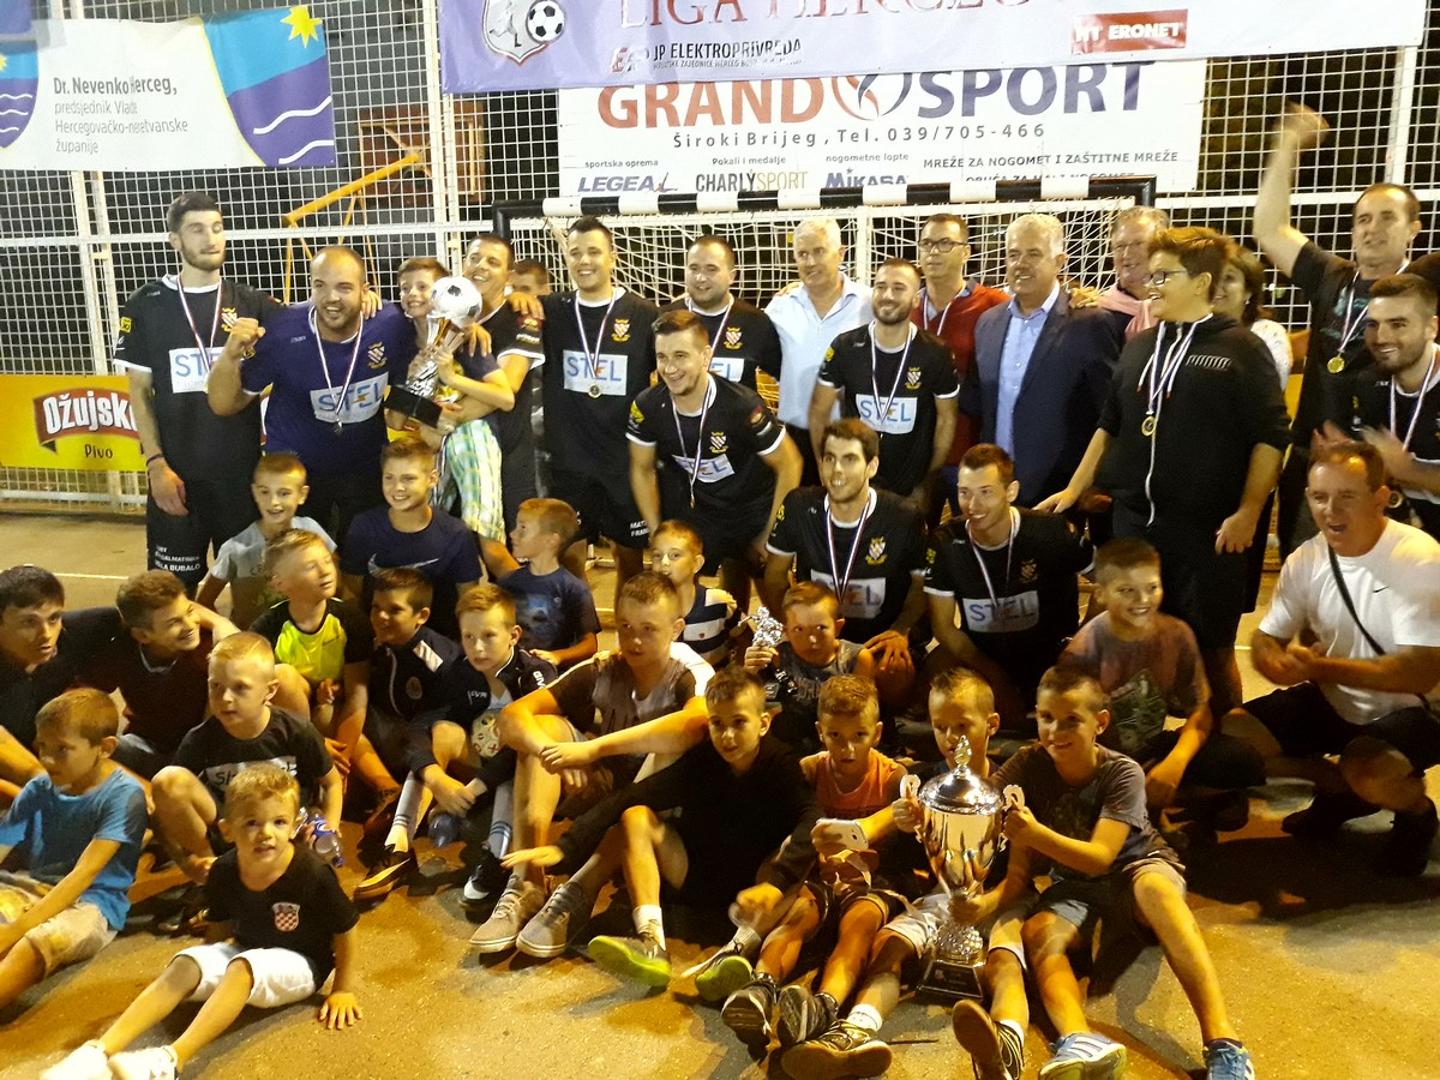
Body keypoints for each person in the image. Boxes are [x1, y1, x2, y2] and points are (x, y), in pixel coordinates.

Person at [1040, 228, 1290, 717]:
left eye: (1163, 276)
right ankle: (1136, 739)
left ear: (1201, 283)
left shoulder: (1242, 348)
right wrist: (1074, 487)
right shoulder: (1140, 345)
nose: (1151, 285)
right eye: (1150, 276)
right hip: (1135, 524)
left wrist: (1248, 511)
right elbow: (1109, 423)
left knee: (1212, 651)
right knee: (1129, 642)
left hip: (1207, 533)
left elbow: (1271, 437)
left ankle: (1222, 742)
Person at [993, 667, 1255, 1080]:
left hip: (1136, 866)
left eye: (1071, 720)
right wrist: (929, 807)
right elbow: (980, 799)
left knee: (1158, 893)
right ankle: (1077, 1039)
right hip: (1073, 883)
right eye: (1046, 718)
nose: (1055, 731)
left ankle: (1224, 1043)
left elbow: (1101, 857)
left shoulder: (1122, 772)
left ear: (1100, 723)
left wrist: (1036, 835)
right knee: (1038, 933)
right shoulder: (1028, 761)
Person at [500, 666, 819, 989]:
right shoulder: (704, 759)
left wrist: (776, 884)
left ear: (763, 723)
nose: (727, 735)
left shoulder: (781, 763)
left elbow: (812, 819)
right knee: (636, 815)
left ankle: (738, 950)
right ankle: (652, 941)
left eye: (739, 723)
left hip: (754, 892)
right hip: (694, 874)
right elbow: (636, 794)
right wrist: (566, 846)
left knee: (802, 846)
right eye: (717, 724)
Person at [784, 669, 1030, 1080]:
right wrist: (893, 825)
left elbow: (1022, 873)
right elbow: (897, 850)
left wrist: (987, 902)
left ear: (992, 725)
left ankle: (1004, 1049)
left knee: (1004, 964)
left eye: (962, 726)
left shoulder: (1010, 785)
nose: (951, 738)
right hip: (937, 897)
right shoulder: (922, 782)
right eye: (940, 726)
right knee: (887, 946)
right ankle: (852, 1034)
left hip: (1001, 897)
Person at [43, 766, 360, 1080]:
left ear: (293, 828)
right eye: (252, 822)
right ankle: (98, 1051)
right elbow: (219, 925)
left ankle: (170, 1060)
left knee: (242, 967)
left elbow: (345, 928)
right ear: (227, 830)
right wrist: (205, 966)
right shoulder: (224, 870)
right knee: (186, 962)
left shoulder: (311, 873)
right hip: (246, 946)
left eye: (279, 822)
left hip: (304, 963)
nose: (266, 833)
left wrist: (342, 989)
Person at [1226, 441, 1440, 876]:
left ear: (1382, 497)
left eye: (1347, 496)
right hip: (1336, 699)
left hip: (1422, 707)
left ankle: (1416, 814)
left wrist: (1319, 668)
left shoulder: (1418, 558)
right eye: (1320, 497)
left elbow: (1418, 672)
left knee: (1369, 768)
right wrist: (1271, 661)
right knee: (1229, 741)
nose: (1330, 510)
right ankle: (1338, 790)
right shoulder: (1306, 558)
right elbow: (1267, 636)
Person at [476, 573, 712, 955]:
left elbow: (694, 725)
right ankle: (528, 883)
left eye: (649, 629)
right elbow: (512, 717)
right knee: (543, 729)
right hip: (603, 784)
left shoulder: (690, 672)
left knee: (667, 751)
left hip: (657, 808)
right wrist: (550, 751)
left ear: (676, 629)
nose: (634, 640)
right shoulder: (605, 667)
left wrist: (592, 750)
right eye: (625, 627)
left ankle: (579, 889)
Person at [1252, 103, 1421, 556]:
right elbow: (1269, 230)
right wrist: (1287, 145)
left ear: (1413, 230)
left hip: (1380, 472)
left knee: (1374, 581)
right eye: (1363, 219)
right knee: (1305, 576)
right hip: (1313, 462)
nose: (1372, 229)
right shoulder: (1332, 276)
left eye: (1387, 218)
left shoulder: (1424, 286)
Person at [717, 676, 908, 1051]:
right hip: (819, 879)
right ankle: (760, 989)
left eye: (859, 736)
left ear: (877, 733)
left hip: (872, 884)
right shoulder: (810, 770)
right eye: (835, 736)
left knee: (858, 929)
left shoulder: (893, 778)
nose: (847, 748)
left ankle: (823, 1006)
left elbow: (905, 831)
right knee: (797, 918)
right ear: (820, 732)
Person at [115, 192, 284, 589]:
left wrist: (367, 299)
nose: (210, 238)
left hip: (240, 479)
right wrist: (156, 464)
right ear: (175, 240)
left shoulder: (252, 303)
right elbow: (139, 393)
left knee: (249, 591)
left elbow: (311, 329)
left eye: (217, 228)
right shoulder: (147, 304)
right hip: (177, 478)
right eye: (197, 230)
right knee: (172, 593)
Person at [207, 245, 419, 542]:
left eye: (344, 287)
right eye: (320, 286)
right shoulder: (283, 330)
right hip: (298, 474)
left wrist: (469, 327)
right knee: (296, 561)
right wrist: (230, 355)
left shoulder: (390, 324)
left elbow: (421, 355)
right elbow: (223, 405)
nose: (331, 297)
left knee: (361, 558)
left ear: (364, 290)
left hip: (365, 468)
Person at [1059, 539, 1264, 829]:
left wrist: (1176, 762)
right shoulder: (1082, 653)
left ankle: (1152, 802)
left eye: (1152, 587)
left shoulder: (1175, 634)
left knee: (1241, 760)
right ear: (1101, 594)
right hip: (1098, 760)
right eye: (1126, 590)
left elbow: (1200, 711)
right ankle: (1139, 809)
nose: (1143, 600)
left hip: (1150, 750)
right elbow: (1067, 734)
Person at [150, 633, 344, 932]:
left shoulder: (295, 731)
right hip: (233, 831)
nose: (225, 698)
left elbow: (331, 783)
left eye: (240, 688)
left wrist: (330, 825)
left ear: (269, 691)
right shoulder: (200, 739)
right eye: (216, 686)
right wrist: (189, 862)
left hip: (287, 828)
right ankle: (215, 879)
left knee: (316, 879)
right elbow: (164, 809)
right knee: (167, 780)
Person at [628, 308, 801, 600]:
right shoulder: (647, 406)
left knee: (774, 588)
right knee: (676, 584)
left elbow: (790, 463)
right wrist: (657, 532)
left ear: (705, 356)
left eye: (680, 356)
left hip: (750, 509)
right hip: (697, 509)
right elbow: (641, 469)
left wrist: (770, 532)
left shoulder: (742, 406)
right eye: (662, 357)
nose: (670, 368)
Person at [535, 216, 658, 606]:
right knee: (570, 558)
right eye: (575, 253)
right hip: (569, 461)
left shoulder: (644, 314)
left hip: (623, 462)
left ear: (613, 256)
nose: (584, 260)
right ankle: (584, 631)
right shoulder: (549, 310)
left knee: (630, 560)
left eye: (593, 252)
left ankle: (627, 632)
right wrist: (516, 294)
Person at [0, 690, 146, 1015]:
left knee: (36, 944)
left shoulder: (124, 796)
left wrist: (15, 931)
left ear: (104, 748)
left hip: (90, 904)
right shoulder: (38, 788)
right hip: (29, 884)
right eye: (42, 746)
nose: (47, 759)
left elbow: (84, 874)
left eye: (62, 749)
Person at [412, 584, 557, 908]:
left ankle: (495, 856)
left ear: (514, 635)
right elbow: (420, 726)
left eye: (489, 636)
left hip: (529, 771)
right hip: (482, 762)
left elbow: (532, 743)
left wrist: (473, 790)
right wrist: (437, 779)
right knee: (443, 730)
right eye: (468, 637)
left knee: (517, 753)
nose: (477, 647)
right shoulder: (459, 672)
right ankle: (398, 841)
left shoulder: (535, 673)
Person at [926, 444, 1089, 730]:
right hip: (982, 656)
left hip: (1051, 656)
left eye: (986, 492)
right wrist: (995, 678)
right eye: (964, 493)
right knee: (921, 681)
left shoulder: (1050, 531)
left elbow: (1110, 582)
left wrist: (1085, 640)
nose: (973, 505)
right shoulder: (946, 542)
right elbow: (944, 628)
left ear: (1011, 492)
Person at [764, 419, 926, 702]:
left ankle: (881, 720)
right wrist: (793, 627)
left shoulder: (903, 516)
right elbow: (775, 576)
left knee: (895, 670)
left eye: (849, 459)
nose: (837, 470)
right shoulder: (799, 506)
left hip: (876, 637)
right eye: (830, 459)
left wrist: (900, 630)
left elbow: (921, 584)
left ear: (871, 466)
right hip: (819, 634)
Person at [967, 213, 1123, 505]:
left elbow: (1109, 412)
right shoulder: (988, 323)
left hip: (1058, 494)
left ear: (1060, 261)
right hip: (996, 489)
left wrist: (1087, 485)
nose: (1020, 263)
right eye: (1013, 254)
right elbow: (977, 403)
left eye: (1033, 254)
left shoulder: (1090, 323)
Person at [252, 530, 393, 802]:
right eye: (310, 566)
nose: (325, 570)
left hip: (331, 715)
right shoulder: (268, 627)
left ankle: (387, 789)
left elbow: (357, 697)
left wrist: (340, 760)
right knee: (283, 676)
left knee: (328, 714)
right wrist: (315, 745)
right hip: (289, 726)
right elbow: (261, 698)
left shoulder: (350, 619)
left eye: (327, 561)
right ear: (280, 583)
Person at [349, 570, 463, 903]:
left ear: (421, 616)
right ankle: (388, 790)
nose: (381, 617)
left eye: (394, 610)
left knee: (427, 738)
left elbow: (449, 713)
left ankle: (397, 846)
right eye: (376, 607)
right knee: (343, 717)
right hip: (392, 734)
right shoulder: (372, 643)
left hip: (426, 742)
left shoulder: (438, 658)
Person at [810, 258, 959, 504]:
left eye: (899, 288)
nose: (888, 295)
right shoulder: (846, 347)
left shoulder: (935, 353)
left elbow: (947, 420)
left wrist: (927, 481)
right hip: (855, 484)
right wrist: (824, 467)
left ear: (916, 299)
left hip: (910, 489)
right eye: (880, 287)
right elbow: (818, 411)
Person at [396, 254, 512, 544]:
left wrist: (451, 378)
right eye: (404, 288)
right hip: (427, 444)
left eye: (423, 287)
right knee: (425, 522)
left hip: (471, 436)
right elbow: (395, 418)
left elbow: (504, 397)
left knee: (482, 525)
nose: (412, 294)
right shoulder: (401, 343)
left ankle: (487, 566)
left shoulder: (466, 338)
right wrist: (417, 388)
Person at [79, 571, 238, 781]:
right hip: (147, 745)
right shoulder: (123, 649)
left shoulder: (211, 650)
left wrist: (220, 622)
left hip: (203, 753)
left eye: (190, 612)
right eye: (173, 623)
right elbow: (85, 693)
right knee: (88, 749)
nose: (190, 625)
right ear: (142, 635)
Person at [339, 435, 482, 640]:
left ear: (432, 479)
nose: (398, 487)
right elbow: (352, 593)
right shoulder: (364, 526)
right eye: (389, 478)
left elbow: (468, 601)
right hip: (377, 639)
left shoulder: (456, 533)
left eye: (408, 478)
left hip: (439, 642)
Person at [767, 218, 873, 485]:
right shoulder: (780, 307)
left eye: (819, 251)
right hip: (796, 441)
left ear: (841, 253)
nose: (810, 261)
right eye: (802, 254)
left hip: (855, 437)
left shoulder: (870, 303)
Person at [0, 568, 118, 794]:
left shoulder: (78, 631)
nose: (46, 633)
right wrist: (41, 791)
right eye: (29, 622)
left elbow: (145, 615)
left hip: (58, 754)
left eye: (54, 618)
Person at [1340, 273, 1440, 539]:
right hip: (1403, 541)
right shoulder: (1369, 383)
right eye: (1373, 325)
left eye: (1398, 324)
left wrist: (1409, 471)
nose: (1381, 337)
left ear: (1431, 328)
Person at [911, 213, 1008, 484]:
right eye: (927, 243)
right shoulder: (905, 306)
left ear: (966, 252)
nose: (933, 252)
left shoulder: (995, 305)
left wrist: (1073, 300)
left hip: (970, 457)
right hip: (913, 454)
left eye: (945, 243)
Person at [461, 233, 547, 533]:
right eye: (474, 258)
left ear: (508, 276)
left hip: (508, 458)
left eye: (492, 262)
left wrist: (445, 420)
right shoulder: (448, 316)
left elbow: (507, 388)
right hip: (458, 455)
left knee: (511, 543)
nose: (480, 267)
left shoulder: (521, 317)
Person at [196, 453, 335, 628]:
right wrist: (224, 629)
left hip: (304, 637)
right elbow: (203, 604)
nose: (273, 502)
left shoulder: (313, 531)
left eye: (284, 493)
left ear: (302, 494)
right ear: (255, 492)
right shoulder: (235, 549)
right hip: (254, 641)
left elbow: (336, 578)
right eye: (264, 492)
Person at [744, 581, 875, 754]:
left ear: (837, 627)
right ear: (786, 632)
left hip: (840, 748)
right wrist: (749, 675)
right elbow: (751, 709)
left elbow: (862, 718)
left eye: (821, 628)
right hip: (790, 746)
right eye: (799, 629)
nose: (811, 639)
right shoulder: (776, 658)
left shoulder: (855, 659)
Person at [480, 497, 600, 670]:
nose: (513, 534)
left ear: (551, 540)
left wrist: (558, 656)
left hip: (551, 675)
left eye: (523, 528)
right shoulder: (507, 582)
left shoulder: (573, 588)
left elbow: (589, 645)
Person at [661, 232, 783, 392]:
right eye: (694, 268)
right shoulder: (664, 319)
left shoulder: (756, 322)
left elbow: (787, 376)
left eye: (711, 269)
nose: (700, 278)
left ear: (732, 276)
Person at [649, 520, 742, 667]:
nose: (664, 562)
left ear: (697, 563)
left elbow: (743, 637)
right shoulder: (646, 609)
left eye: (675, 555)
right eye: (657, 556)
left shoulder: (719, 603)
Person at [1211, 244, 1293, 390]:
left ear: (1248, 291)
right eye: (1212, 277)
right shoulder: (1189, 331)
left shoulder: (1266, 334)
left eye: (1229, 278)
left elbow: (1269, 389)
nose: (1216, 285)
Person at [1097, 206, 1170, 342]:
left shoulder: (1185, 310)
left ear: (1163, 247)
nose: (1126, 254)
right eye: (1120, 246)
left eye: (1138, 243)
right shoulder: (1096, 314)